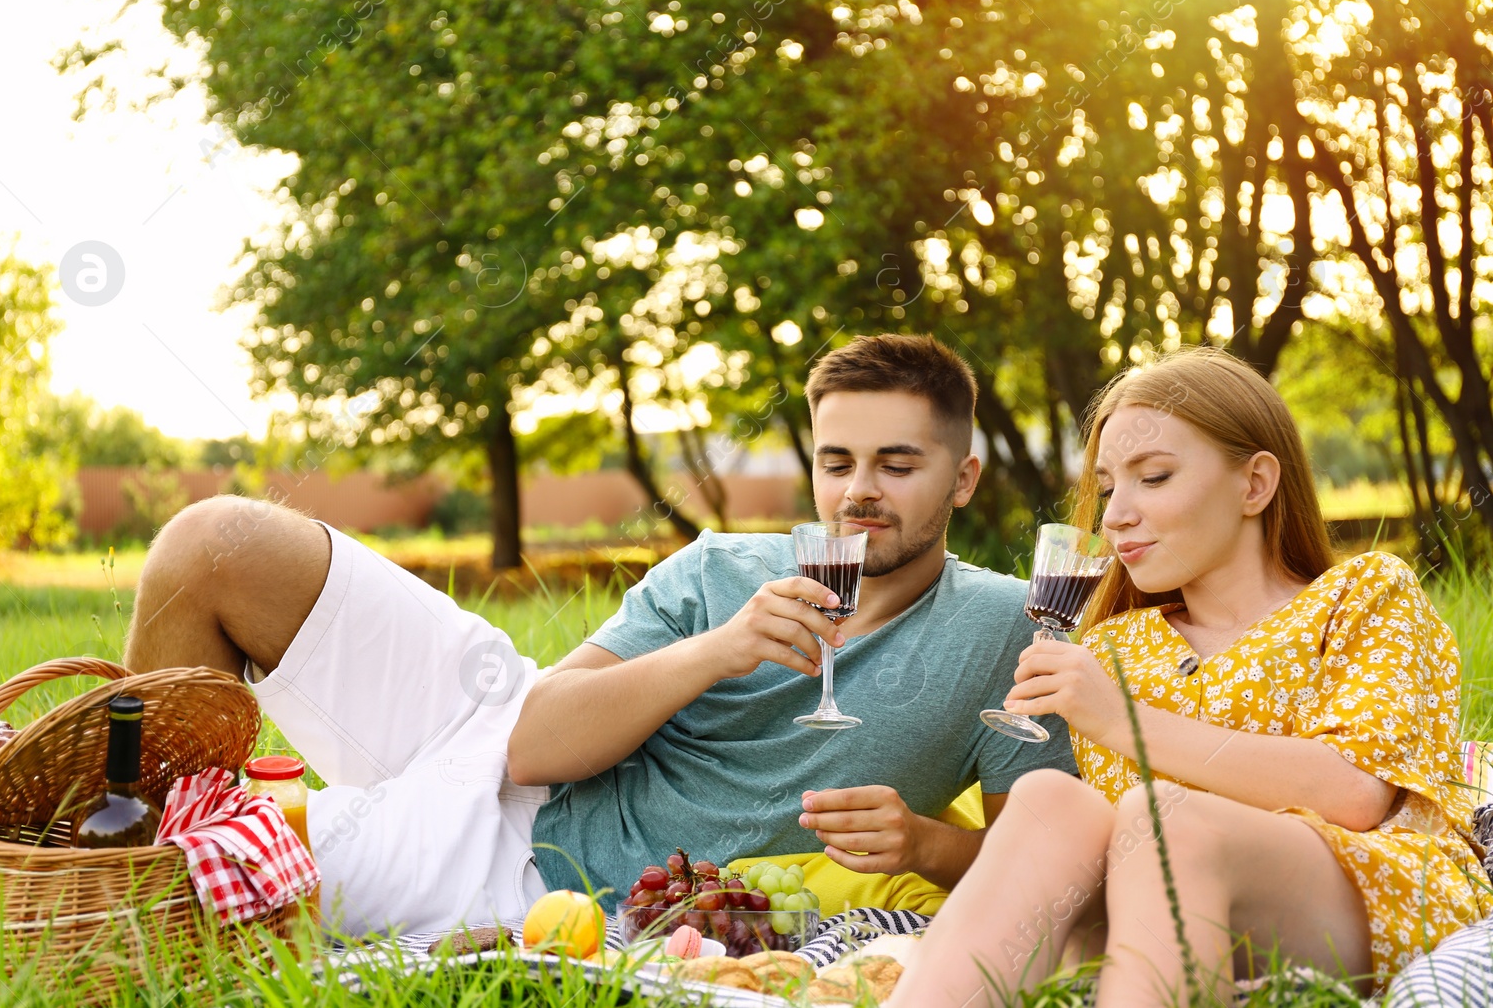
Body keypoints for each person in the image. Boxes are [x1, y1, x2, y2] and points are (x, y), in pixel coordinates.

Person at [124, 332, 1077, 936]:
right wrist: (719, 648)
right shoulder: (721, 569)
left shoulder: (1006, 629)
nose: (859, 490)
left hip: (525, 854)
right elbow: (530, 735)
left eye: (897, 464)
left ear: (963, 479)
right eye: (838, 461)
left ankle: (94, 862)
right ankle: (114, 800)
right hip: (508, 720)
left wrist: (921, 844)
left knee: (174, 893)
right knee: (214, 544)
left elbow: (1038, 859)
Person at [888, 347, 1491, 1007]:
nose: (1115, 514)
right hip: (1167, 913)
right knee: (1046, 798)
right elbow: (1113, 846)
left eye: (1154, 477)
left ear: (1254, 484)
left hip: (1361, 893)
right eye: (1111, 486)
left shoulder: (1363, 593)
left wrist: (1119, 718)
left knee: (1167, 816)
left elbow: (1354, 792)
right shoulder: (1114, 645)